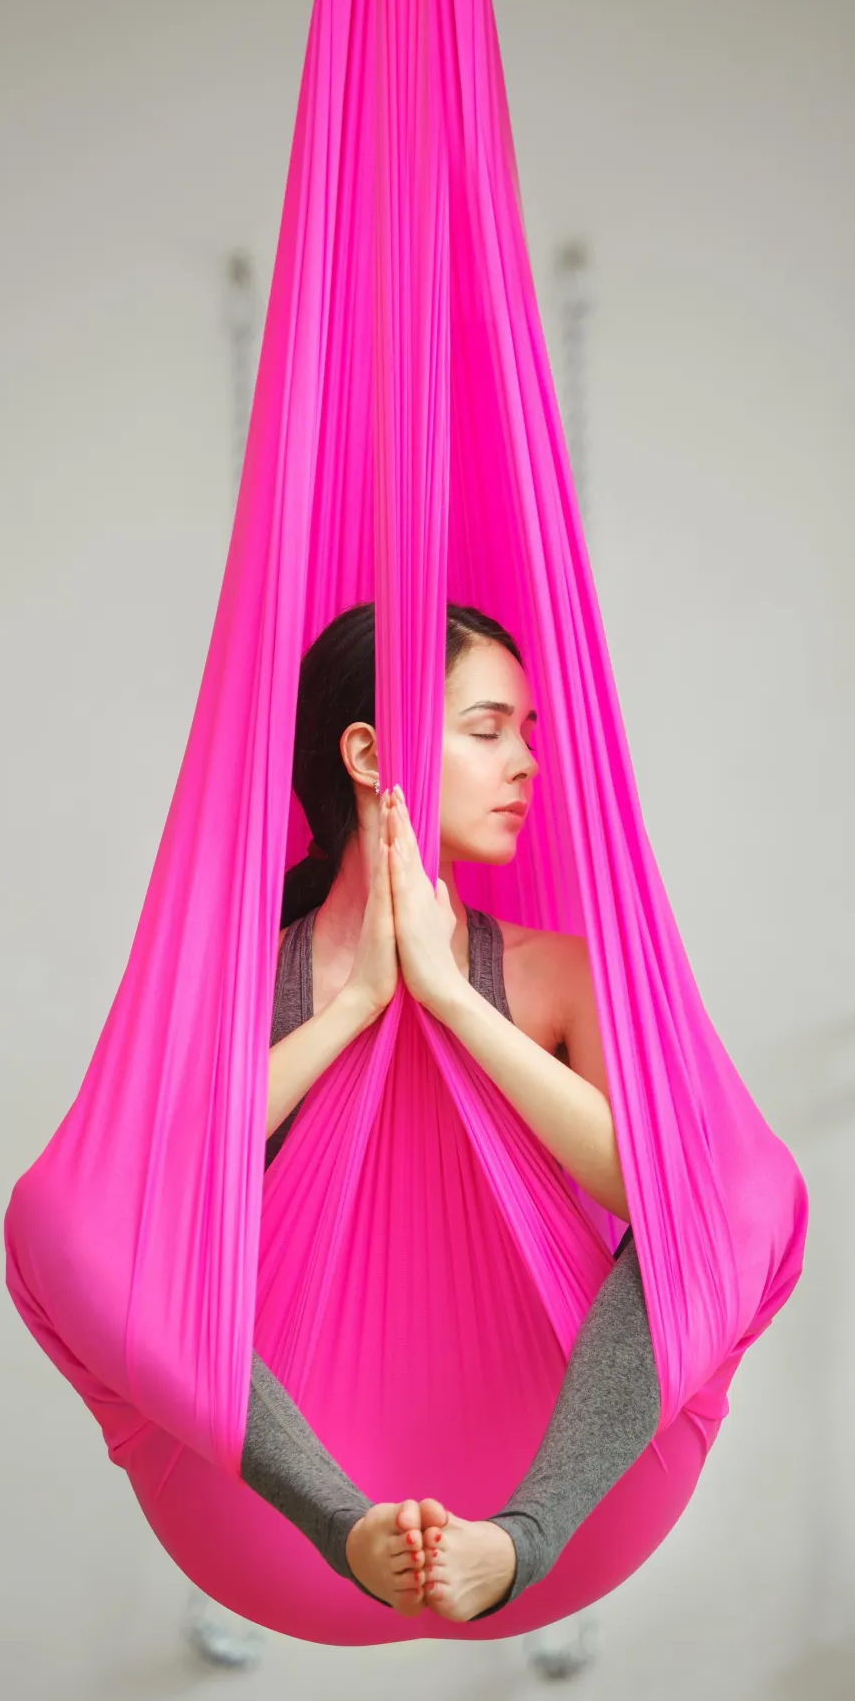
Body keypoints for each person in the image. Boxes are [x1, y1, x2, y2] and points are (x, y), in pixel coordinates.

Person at [240, 601, 661, 1623]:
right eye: (487, 730)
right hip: (291, 1439)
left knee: (728, 1212)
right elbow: (170, 1188)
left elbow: (649, 1194)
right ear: (370, 753)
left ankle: (522, 1542)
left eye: (528, 734)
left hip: (524, 1414)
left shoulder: (559, 975)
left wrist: (450, 992)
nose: (524, 762)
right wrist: (356, 1003)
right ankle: (348, 1529)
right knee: (83, 1223)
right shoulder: (244, 978)